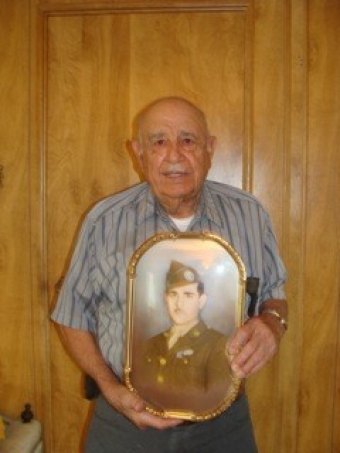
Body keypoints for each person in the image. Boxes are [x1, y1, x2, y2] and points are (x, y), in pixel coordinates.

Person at [51, 96, 287, 452]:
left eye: (188, 140)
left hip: (223, 426)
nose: (174, 154)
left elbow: (276, 297)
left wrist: (272, 323)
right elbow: (70, 315)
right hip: (123, 423)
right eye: (159, 141)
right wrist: (111, 390)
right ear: (138, 152)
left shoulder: (250, 215)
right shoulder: (104, 221)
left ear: (210, 149)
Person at [135, 260, 233, 413]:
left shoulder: (217, 344)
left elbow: (217, 401)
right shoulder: (150, 344)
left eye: (188, 295)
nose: (179, 303)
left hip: (198, 429)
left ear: (201, 301)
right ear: (165, 298)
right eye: (173, 294)